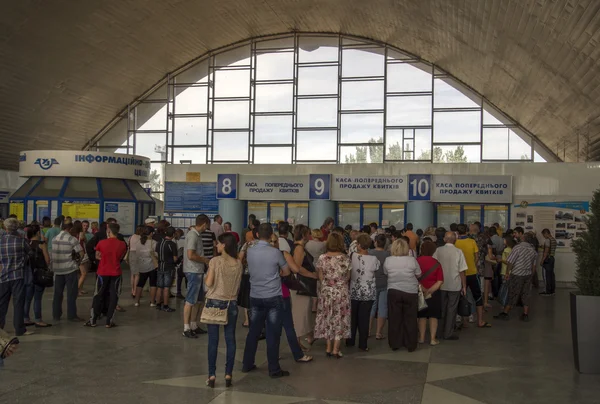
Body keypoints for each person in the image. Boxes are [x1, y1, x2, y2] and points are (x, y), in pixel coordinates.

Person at [242, 223, 291, 378]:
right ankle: (274, 369)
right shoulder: (275, 252)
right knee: (273, 334)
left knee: (253, 332)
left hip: (255, 296)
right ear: (271, 235)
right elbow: (287, 271)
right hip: (273, 297)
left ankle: (247, 364)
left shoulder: (250, 251)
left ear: (256, 235)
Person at [204, 233, 243, 388]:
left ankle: (212, 375)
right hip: (231, 303)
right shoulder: (238, 263)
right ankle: (228, 374)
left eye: (218, 243)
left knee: (213, 340)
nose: (216, 246)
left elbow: (209, 283)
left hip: (214, 302)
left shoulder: (215, 261)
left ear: (224, 245)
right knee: (230, 339)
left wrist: (207, 276)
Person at [271, 234, 314, 363]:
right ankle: (298, 354)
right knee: (289, 326)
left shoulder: (259, 255)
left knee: (272, 327)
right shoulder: (283, 254)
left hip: (266, 294)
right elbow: (294, 269)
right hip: (282, 293)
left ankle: (274, 353)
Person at [314, 233, 351, 358]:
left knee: (327, 317)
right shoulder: (345, 258)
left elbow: (320, 276)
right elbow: (348, 277)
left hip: (326, 292)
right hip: (341, 292)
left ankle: (328, 347)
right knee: (339, 318)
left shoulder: (322, 258)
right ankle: (336, 349)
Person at [85, 222, 127, 328]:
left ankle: (93, 320)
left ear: (109, 231)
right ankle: (109, 321)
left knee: (98, 295)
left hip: (102, 272)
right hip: (116, 272)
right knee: (114, 296)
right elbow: (121, 257)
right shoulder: (122, 244)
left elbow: (97, 255)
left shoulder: (102, 243)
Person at [384, 238, 421, 352]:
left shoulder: (388, 260)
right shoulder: (412, 260)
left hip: (393, 291)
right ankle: (410, 344)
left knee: (395, 318)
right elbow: (419, 274)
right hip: (410, 291)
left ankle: (395, 343)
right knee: (410, 318)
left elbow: (386, 273)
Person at [494, 233, 538, 322]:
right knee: (525, 294)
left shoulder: (517, 248)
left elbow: (510, 262)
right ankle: (525, 314)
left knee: (513, 292)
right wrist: (531, 275)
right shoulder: (532, 250)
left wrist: (507, 272)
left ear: (523, 239)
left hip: (517, 274)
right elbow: (533, 265)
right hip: (528, 274)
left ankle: (505, 313)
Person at [433, 232, 467, 341]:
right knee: (452, 309)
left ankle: (438, 331)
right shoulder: (458, 252)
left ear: (444, 239)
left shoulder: (439, 250)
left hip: (440, 284)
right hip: (454, 285)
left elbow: (434, 265)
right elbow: (462, 271)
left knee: (441, 308)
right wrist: (464, 286)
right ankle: (448, 333)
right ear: (455, 240)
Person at [0, 218, 31, 336]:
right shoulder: (21, 241)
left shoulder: (0, 241)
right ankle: (19, 329)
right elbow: (30, 254)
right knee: (18, 303)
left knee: (2, 303)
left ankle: (0, 328)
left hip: (3, 276)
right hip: (18, 275)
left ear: (5, 228)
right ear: (16, 228)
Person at [347, 234, 378, 352]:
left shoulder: (352, 256)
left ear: (358, 245)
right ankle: (363, 344)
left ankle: (350, 340)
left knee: (352, 317)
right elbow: (376, 270)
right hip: (368, 291)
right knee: (364, 318)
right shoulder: (374, 259)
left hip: (354, 290)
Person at [455, 224, 490, 328]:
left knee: (459, 296)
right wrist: (472, 265)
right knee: (478, 297)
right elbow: (476, 257)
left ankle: (460, 318)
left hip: (459, 274)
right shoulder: (472, 242)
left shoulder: (455, 243)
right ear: (467, 231)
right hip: (472, 273)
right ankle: (480, 321)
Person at [182, 215, 211, 338]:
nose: (207, 228)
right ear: (204, 223)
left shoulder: (196, 235)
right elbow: (190, 255)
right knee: (190, 300)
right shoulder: (193, 235)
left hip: (198, 270)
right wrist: (204, 259)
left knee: (198, 300)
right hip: (193, 270)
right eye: (208, 225)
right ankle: (186, 327)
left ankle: (194, 324)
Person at [51, 221, 84, 322]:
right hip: (70, 269)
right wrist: (77, 263)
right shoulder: (71, 239)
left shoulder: (54, 239)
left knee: (57, 294)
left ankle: (56, 315)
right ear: (69, 229)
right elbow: (81, 253)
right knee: (71, 293)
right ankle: (72, 315)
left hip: (57, 270)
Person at [291, 224, 317, 351]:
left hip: (300, 286)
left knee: (301, 314)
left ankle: (298, 342)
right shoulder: (299, 249)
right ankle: (296, 343)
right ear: (304, 235)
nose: (310, 236)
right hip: (300, 286)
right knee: (299, 315)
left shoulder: (298, 247)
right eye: (308, 233)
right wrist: (312, 274)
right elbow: (297, 268)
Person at [416, 241, 444, 346]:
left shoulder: (416, 261)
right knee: (433, 316)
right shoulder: (437, 263)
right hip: (434, 293)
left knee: (422, 316)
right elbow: (440, 281)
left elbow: (414, 277)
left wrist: (423, 289)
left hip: (420, 292)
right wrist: (430, 290)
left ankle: (422, 338)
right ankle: (432, 339)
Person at [23, 224, 51, 328]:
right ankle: (38, 320)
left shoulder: (26, 243)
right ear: (38, 233)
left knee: (27, 297)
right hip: (39, 274)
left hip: (28, 273)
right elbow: (47, 260)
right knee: (37, 298)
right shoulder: (41, 244)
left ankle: (25, 318)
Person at [368, 234, 390, 340]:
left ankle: (367, 330)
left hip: (372, 283)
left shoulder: (369, 253)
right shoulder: (388, 254)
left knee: (371, 307)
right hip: (385, 283)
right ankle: (378, 332)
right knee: (383, 308)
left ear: (375, 242)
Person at [132, 227, 158, 307]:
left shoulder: (138, 242)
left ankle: (137, 301)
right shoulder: (154, 242)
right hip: (152, 265)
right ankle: (152, 302)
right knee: (153, 284)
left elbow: (137, 253)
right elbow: (156, 254)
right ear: (151, 233)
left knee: (140, 284)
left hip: (141, 265)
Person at [156, 227, 178, 312]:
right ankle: (165, 305)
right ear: (173, 234)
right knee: (166, 287)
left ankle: (158, 304)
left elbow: (156, 254)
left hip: (160, 266)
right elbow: (175, 258)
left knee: (159, 287)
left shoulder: (159, 243)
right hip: (169, 267)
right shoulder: (172, 244)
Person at [127, 225, 145, 298]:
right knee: (137, 274)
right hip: (138, 254)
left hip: (131, 254)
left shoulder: (131, 237)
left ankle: (132, 290)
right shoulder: (141, 238)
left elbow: (128, 246)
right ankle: (135, 292)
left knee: (133, 274)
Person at [540, 229, 557, 296]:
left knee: (546, 276)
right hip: (552, 258)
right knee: (551, 275)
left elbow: (546, 252)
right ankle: (552, 290)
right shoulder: (553, 239)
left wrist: (542, 260)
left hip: (547, 260)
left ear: (546, 233)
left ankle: (547, 291)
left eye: (543, 235)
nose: (543, 236)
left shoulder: (547, 240)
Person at [174, 229, 186, 298]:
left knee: (179, 278)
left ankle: (178, 292)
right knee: (180, 277)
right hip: (178, 262)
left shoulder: (175, 241)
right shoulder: (174, 241)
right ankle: (179, 292)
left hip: (178, 262)